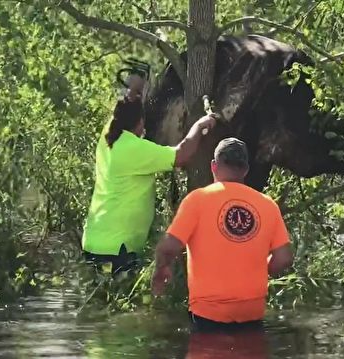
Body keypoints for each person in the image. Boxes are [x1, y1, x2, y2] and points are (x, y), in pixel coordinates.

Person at [151, 137, 294, 331]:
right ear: (245, 170)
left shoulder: (198, 200)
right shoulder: (267, 204)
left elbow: (168, 247)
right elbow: (284, 258)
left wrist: (162, 269)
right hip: (252, 311)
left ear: (214, 166)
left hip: (208, 312)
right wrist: (260, 270)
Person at [81, 75, 216, 276]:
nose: (144, 128)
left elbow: (120, 111)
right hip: (117, 248)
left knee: (103, 303)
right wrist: (200, 125)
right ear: (138, 122)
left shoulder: (109, 135)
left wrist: (133, 92)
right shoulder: (133, 148)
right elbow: (181, 155)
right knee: (122, 303)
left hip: (94, 242)